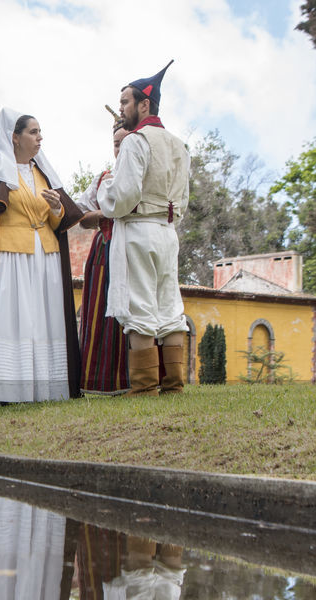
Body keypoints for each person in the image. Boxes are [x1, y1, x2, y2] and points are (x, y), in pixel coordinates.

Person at [0, 108, 83, 404]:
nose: (39, 138)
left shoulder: (44, 174)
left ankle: (47, 388)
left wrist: (57, 208)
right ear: (15, 137)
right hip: (12, 257)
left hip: (45, 256)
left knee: (43, 318)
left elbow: (57, 223)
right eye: (33, 132)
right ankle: (8, 389)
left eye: (40, 132)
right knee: (14, 318)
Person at [98, 62, 191, 396]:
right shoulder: (179, 145)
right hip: (168, 232)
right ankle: (174, 384)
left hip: (138, 230)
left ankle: (144, 388)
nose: (120, 108)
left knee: (140, 308)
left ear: (144, 105)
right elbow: (182, 199)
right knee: (170, 307)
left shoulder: (136, 142)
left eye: (124, 102)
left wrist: (102, 189)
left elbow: (121, 197)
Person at [75, 126, 132, 394]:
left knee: (135, 310)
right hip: (105, 248)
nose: (119, 149)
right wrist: (102, 214)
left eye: (125, 143)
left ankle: (139, 380)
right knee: (100, 313)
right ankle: (100, 381)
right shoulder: (102, 179)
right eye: (116, 144)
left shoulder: (144, 177)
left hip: (134, 249)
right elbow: (80, 216)